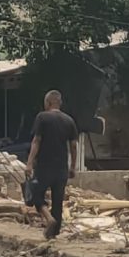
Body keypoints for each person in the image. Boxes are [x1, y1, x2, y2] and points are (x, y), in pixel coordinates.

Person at [26, 90, 82, 240]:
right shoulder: (69, 120)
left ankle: (48, 218)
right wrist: (73, 167)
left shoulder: (42, 117)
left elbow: (36, 141)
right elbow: (74, 146)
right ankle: (53, 235)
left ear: (48, 103)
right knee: (58, 201)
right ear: (60, 103)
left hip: (44, 166)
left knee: (35, 194)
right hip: (61, 168)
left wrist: (29, 163)